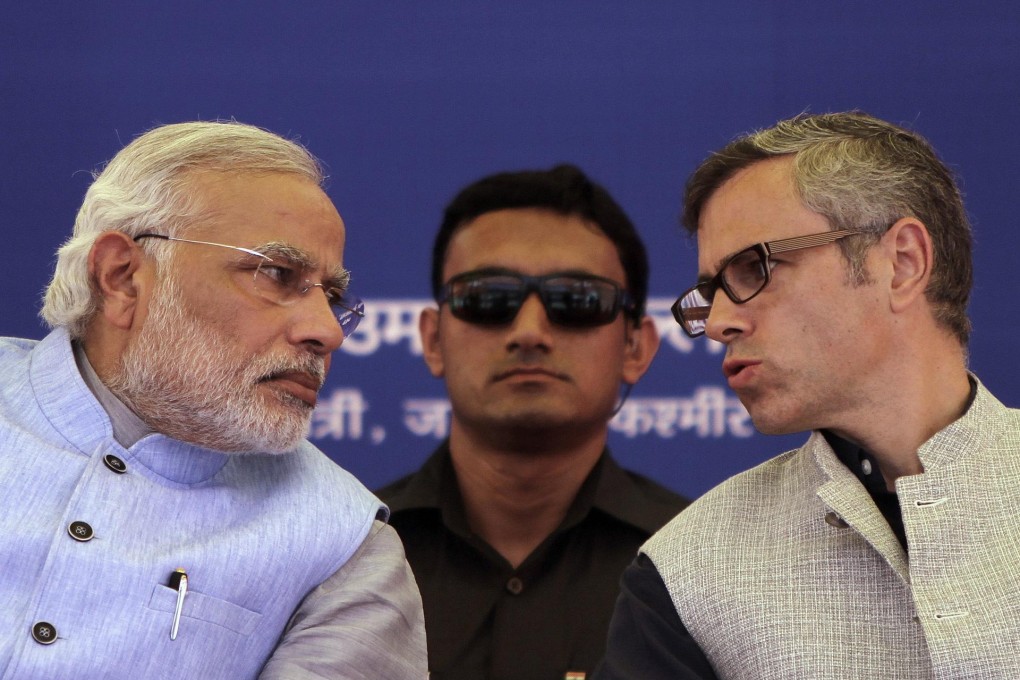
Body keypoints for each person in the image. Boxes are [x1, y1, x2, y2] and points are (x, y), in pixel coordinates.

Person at [595, 111, 1020, 679]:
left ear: (902, 264)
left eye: (754, 267)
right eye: (709, 292)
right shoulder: (686, 572)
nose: (718, 321)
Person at [0, 121, 427, 679]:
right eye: (277, 273)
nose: (329, 330)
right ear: (123, 277)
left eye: (335, 296)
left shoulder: (344, 548)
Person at [377, 164, 690, 680]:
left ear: (636, 346)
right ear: (433, 340)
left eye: (578, 300)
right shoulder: (350, 558)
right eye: (487, 298)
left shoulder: (699, 565)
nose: (529, 332)